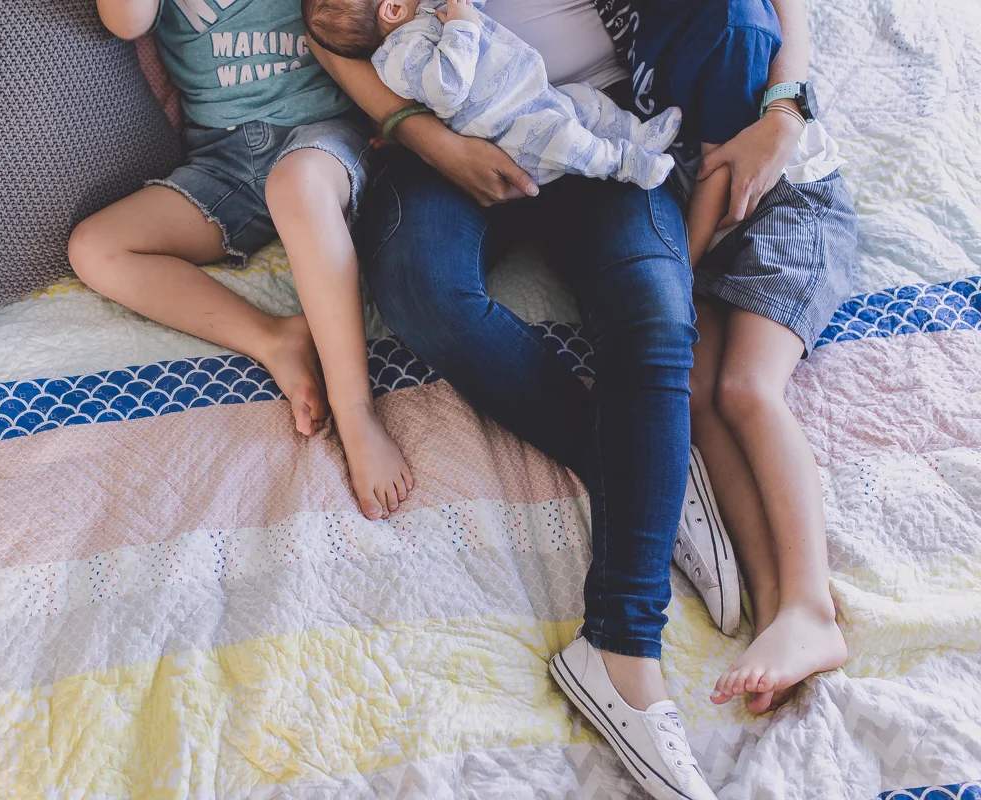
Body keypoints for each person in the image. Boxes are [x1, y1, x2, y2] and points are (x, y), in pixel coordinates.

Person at [310, 0, 821, 796]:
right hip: (448, 126)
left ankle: (619, 647)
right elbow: (327, 37)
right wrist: (432, 141)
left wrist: (788, 104)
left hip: (596, 123)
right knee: (424, 293)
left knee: (656, 314)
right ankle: (646, 479)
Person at [69, 0, 414, 522]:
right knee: (95, 248)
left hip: (320, 135)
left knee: (297, 187)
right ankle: (273, 339)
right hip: (224, 159)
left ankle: (356, 411)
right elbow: (125, 22)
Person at [625, 0, 856, 714]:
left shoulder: (729, 24)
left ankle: (811, 607)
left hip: (788, 207)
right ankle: (770, 605)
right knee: (695, 393)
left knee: (746, 389)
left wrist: (676, 284)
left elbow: (726, 179)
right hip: (723, 204)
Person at [302, 0, 681, 189]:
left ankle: (638, 134)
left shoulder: (422, 14)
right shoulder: (400, 55)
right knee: (571, 139)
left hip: (537, 93)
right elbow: (447, 89)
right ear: (392, 8)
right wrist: (462, 25)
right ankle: (627, 164)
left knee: (589, 103)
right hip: (511, 133)